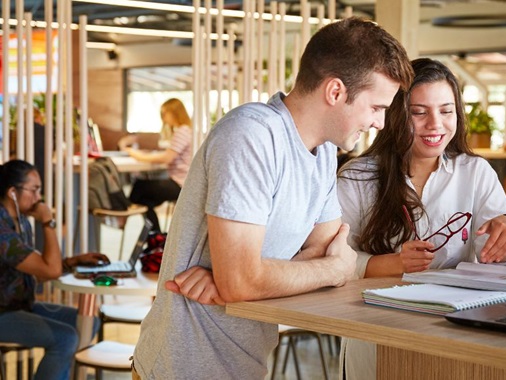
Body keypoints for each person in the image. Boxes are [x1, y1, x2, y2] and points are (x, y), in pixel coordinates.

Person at [131, 17, 413, 379]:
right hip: (179, 368)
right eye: (376, 107)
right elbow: (314, 265)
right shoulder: (252, 136)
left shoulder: (324, 153)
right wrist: (331, 269)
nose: (379, 122)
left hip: (247, 363)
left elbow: (318, 250)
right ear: (336, 92)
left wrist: (250, 278)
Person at [336, 58, 506, 380]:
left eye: (446, 111)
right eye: (419, 112)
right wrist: (395, 263)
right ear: (394, 114)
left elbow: (494, 255)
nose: (435, 124)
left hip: (453, 327)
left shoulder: (474, 172)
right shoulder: (358, 177)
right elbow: (334, 261)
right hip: (377, 326)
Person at [0, 159, 110, 380]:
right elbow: (49, 271)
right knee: (65, 337)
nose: (38, 198)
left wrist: (70, 262)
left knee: (89, 322)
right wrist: (48, 221)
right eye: (34, 190)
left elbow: (37, 270)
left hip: (20, 306)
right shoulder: (2, 229)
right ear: (13, 192)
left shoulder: (21, 222)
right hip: (3, 312)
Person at [126, 98, 193, 232]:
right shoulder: (186, 130)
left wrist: (139, 156)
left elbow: (167, 158)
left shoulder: (183, 131)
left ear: (174, 112)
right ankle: (156, 236)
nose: (163, 118)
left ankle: (125, 218)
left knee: (139, 187)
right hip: (182, 182)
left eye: (165, 113)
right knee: (145, 201)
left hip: (180, 184)